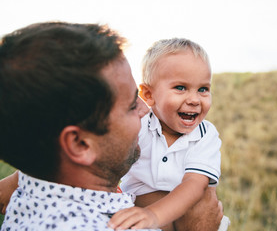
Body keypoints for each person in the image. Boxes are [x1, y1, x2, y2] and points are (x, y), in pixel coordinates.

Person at [0, 22, 223, 230]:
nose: (145, 110)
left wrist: (16, 179)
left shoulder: (37, 185)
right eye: (130, 106)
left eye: (203, 89)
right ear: (79, 144)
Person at [107, 38, 230, 231]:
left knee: (203, 201)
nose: (194, 100)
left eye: (203, 89)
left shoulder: (205, 135)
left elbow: (194, 185)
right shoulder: (139, 125)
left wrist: (153, 214)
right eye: (180, 88)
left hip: (187, 219)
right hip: (137, 216)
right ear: (148, 95)